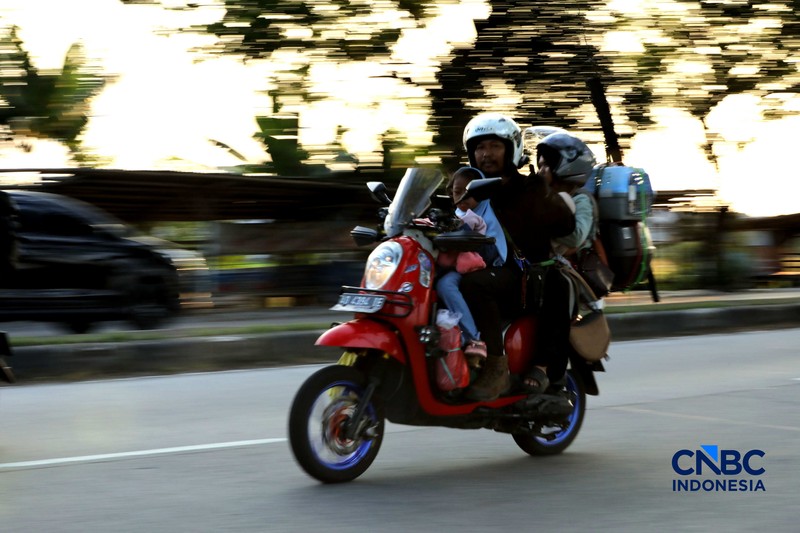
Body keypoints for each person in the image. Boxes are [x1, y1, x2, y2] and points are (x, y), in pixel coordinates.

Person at [458, 113, 577, 401]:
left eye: (494, 146)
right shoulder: (470, 186)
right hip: (491, 267)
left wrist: (544, 195)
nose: (486, 154)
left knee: (474, 284)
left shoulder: (529, 187)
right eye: (479, 147)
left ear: (511, 149)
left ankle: (496, 368)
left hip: (522, 276)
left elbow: (565, 225)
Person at [520, 132, 598, 393]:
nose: (541, 170)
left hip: (568, 271)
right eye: (539, 164)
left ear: (567, 166)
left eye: (546, 164)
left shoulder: (581, 199)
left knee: (555, 295)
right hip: (537, 264)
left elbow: (576, 235)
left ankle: (547, 371)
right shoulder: (544, 196)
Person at [436, 166, 508, 369]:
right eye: (458, 192)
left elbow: (491, 253)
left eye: (471, 193)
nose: (464, 198)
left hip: (475, 269)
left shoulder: (484, 218)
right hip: (451, 265)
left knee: (446, 285)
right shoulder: (450, 215)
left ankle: (474, 337)